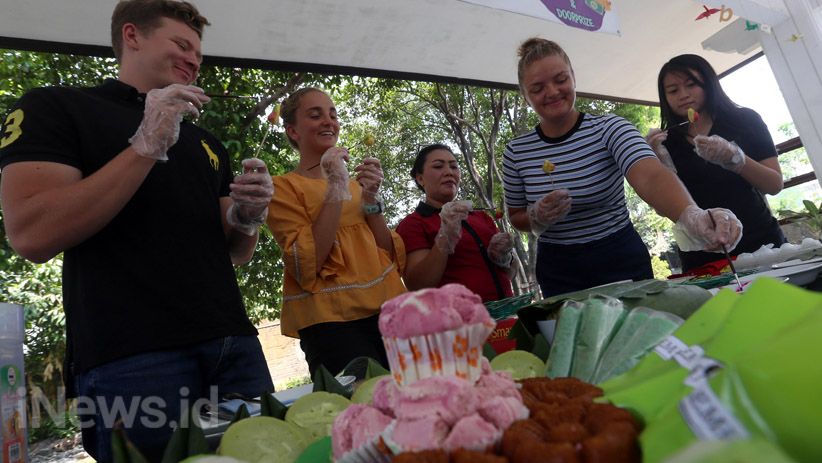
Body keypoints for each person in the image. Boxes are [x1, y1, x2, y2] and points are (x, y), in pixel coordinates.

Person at [0, 1, 274, 461]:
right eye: (181, 44)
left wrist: (248, 216)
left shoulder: (204, 140)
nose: (193, 59)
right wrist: (146, 144)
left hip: (234, 346)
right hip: (132, 358)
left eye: (199, 54)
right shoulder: (57, 106)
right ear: (132, 36)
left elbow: (236, 251)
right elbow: (31, 233)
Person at [502, 38, 743, 297]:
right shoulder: (516, 152)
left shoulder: (610, 128)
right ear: (524, 95)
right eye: (537, 88)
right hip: (558, 267)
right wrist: (536, 217)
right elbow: (516, 216)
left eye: (560, 80)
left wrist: (692, 215)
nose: (551, 92)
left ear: (573, 77)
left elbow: (650, 175)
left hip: (618, 254)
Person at [266, 87, 406, 377]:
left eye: (333, 114)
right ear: (293, 131)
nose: (329, 121)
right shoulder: (282, 187)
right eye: (316, 115)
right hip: (330, 324)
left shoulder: (355, 185)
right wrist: (334, 188)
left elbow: (388, 255)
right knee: (363, 409)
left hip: (388, 311)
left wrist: (370, 201)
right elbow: (308, 263)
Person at [647, 54, 785, 272]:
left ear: (708, 83)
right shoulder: (666, 143)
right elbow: (663, 211)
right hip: (703, 254)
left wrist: (736, 159)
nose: (683, 95)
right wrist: (657, 165)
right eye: (673, 91)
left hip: (760, 242)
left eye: (691, 85)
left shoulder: (744, 120)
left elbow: (774, 185)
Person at [396, 143, 515, 302]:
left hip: (506, 316)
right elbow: (418, 285)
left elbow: (510, 273)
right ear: (420, 178)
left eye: (454, 166)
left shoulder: (481, 217)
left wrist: (505, 257)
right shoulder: (413, 224)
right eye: (438, 166)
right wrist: (444, 236)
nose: (449, 172)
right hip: (458, 322)